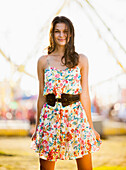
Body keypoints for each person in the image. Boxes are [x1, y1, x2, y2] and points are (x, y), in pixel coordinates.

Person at [30, 16, 102, 170]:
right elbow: (41, 96)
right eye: (57, 31)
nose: (61, 35)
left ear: (70, 34)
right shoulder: (44, 61)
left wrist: (90, 127)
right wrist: (37, 128)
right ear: (52, 34)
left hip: (76, 117)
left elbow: (85, 95)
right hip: (50, 117)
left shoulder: (81, 60)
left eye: (65, 31)